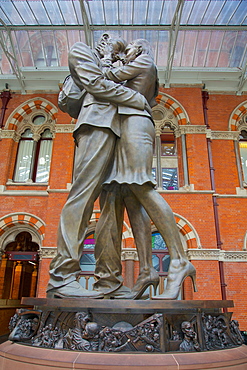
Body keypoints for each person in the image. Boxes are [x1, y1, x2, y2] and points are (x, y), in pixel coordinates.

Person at [46, 34, 151, 299]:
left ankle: (109, 282)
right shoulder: (82, 51)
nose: (123, 47)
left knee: (113, 208)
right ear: (103, 39)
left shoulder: (117, 67)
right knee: (82, 194)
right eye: (118, 43)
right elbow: (95, 84)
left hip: (119, 132)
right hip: (96, 125)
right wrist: (135, 99)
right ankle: (62, 276)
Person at [93, 39, 197, 300]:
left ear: (138, 49)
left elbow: (105, 78)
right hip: (126, 126)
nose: (125, 54)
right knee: (131, 195)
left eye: (128, 50)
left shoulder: (143, 61)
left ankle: (179, 260)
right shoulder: (140, 67)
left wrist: (107, 56)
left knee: (141, 185)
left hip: (136, 125)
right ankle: (147, 271)